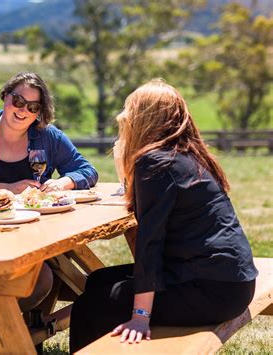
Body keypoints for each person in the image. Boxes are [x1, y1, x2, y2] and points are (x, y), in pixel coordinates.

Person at [69, 79, 258, 352]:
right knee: (98, 280)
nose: (122, 116)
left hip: (212, 290)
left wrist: (140, 317)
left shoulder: (156, 161)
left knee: (90, 306)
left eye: (128, 110)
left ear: (143, 118)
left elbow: (150, 242)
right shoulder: (187, 154)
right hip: (229, 280)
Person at [0, 72, 99, 313]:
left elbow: (86, 170)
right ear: (5, 96)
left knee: (42, 278)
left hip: (32, 236)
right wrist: (8, 190)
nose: (23, 110)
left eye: (32, 106)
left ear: (39, 111)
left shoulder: (47, 135)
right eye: (18, 101)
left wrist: (63, 183)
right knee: (40, 279)